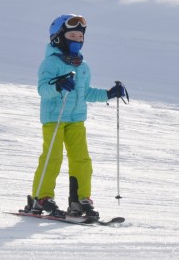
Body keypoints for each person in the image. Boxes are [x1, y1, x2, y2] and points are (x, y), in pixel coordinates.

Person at [26, 14, 127, 219]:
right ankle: (41, 197)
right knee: (52, 157)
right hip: (54, 118)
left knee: (82, 160)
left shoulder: (83, 66)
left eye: (80, 37)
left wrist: (108, 93)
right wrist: (58, 85)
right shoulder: (50, 63)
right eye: (72, 35)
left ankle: (80, 200)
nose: (77, 40)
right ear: (58, 38)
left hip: (76, 119)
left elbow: (86, 92)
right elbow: (43, 90)